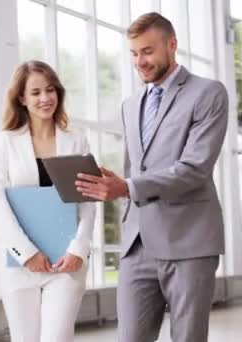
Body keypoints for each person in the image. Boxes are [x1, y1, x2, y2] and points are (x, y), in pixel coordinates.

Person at [75, 12, 228, 342]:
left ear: (172, 45)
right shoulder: (131, 105)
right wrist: (119, 182)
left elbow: (195, 167)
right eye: (133, 53)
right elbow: (137, 170)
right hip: (137, 243)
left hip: (189, 240)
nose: (139, 61)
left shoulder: (208, 93)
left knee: (187, 337)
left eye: (147, 51)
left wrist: (127, 186)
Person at [0, 60, 96, 342]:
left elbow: (88, 199)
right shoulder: (5, 142)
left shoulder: (76, 140)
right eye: (35, 93)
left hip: (66, 261)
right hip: (20, 263)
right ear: (21, 98)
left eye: (50, 90)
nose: (45, 98)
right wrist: (27, 252)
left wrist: (78, 249)